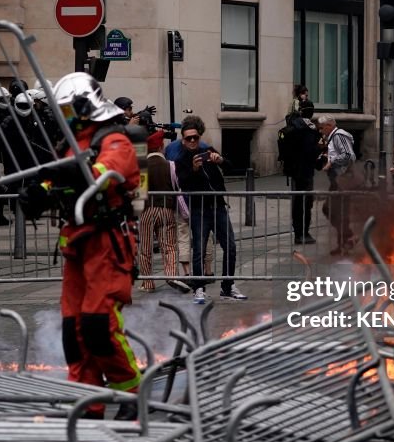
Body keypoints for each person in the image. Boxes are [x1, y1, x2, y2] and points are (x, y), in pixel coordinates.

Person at [19, 73, 141, 420]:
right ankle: (88, 401)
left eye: (69, 109)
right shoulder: (70, 145)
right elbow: (57, 176)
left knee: (98, 325)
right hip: (77, 244)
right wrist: (38, 191)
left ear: (86, 107)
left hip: (106, 243)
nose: (65, 116)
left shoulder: (114, 139)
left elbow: (105, 172)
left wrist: (65, 175)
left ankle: (133, 393)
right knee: (74, 331)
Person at [174, 116, 247, 304]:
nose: (192, 141)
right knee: (198, 250)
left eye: (195, 138)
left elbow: (231, 168)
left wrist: (220, 160)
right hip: (199, 209)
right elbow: (183, 183)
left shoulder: (208, 151)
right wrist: (194, 169)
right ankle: (199, 288)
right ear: (183, 139)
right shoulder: (181, 159)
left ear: (200, 137)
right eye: (188, 138)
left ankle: (228, 286)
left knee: (230, 246)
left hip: (218, 206)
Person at [137, 131, 190, 293]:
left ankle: (148, 283)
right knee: (169, 247)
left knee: (145, 248)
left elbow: (139, 192)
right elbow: (176, 187)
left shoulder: (142, 167)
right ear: (161, 147)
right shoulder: (170, 165)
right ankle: (172, 276)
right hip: (167, 210)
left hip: (147, 211)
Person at [283, 99, 323, 245]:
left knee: (298, 202)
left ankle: (298, 232)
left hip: (294, 171)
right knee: (305, 203)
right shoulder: (308, 129)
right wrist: (319, 148)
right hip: (305, 171)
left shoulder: (293, 125)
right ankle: (303, 233)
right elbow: (310, 152)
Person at [317, 116, 356, 255]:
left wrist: (331, 161)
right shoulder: (332, 137)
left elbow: (348, 156)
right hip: (337, 179)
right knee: (334, 211)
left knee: (333, 210)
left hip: (342, 179)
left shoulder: (338, 136)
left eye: (321, 128)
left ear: (329, 125)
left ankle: (347, 238)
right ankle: (345, 241)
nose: (321, 131)